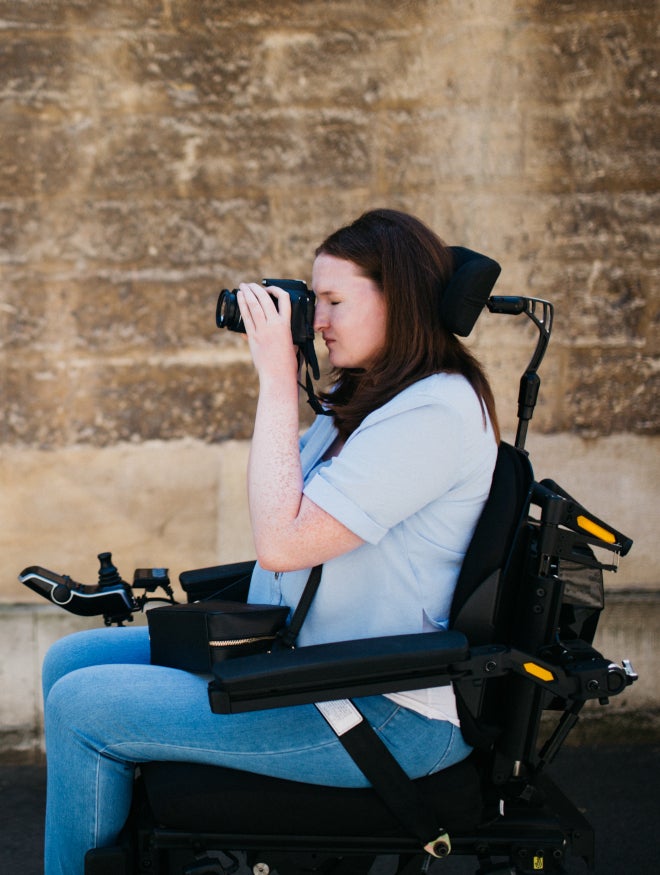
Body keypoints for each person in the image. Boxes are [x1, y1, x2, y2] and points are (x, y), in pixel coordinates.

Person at [41, 208, 499, 875]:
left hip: (382, 710)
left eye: (335, 301)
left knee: (83, 705)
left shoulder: (434, 412)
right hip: (309, 668)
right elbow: (283, 511)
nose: (317, 320)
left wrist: (278, 380)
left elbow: (281, 542)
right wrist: (298, 379)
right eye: (316, 301)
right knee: (70, 661)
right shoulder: (375, 397)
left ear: (398, 302)